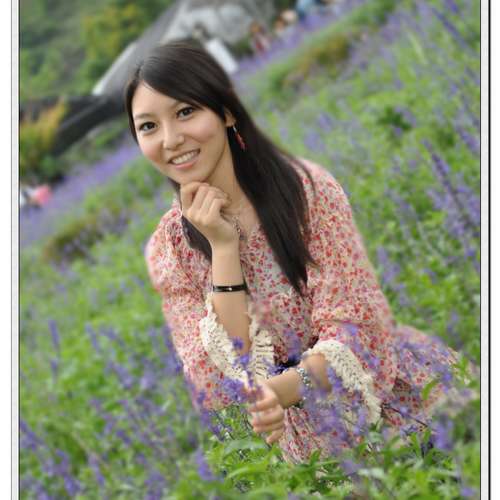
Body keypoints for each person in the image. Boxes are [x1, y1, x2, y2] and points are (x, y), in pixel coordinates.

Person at [124, 40, 475, 464]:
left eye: (185, 112)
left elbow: (357, 330)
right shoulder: (170, 249)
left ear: (227, 111)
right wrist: (223, 248)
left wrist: (279, 390)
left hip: (412, 405)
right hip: (323, 453)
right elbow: (218, 379)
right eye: (148, 126)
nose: (170, 139)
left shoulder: (305, 191)